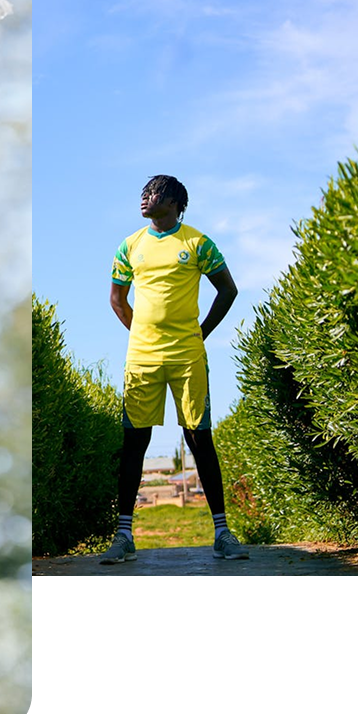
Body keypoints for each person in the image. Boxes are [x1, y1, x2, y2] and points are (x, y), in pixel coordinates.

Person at [100, 174, 248, 563]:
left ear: (176, 202)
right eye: (144, 193)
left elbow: (228, 290)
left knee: (199, 437)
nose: (146, 198)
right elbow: (117, 298)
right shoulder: (129, 245)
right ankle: (123, 536)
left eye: (155, 193)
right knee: (135, 441)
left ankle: (222, 533)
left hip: (187, 355)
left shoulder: (198, 243)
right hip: (142, 359)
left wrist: (201, 334)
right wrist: (142, 333)